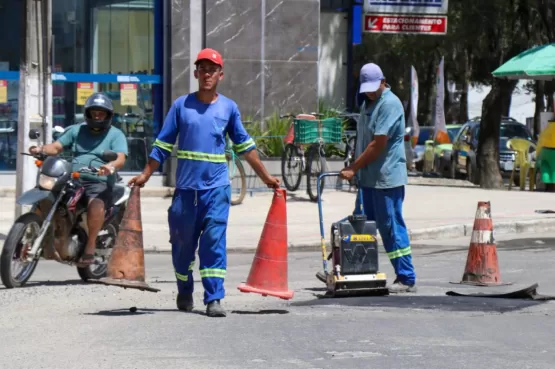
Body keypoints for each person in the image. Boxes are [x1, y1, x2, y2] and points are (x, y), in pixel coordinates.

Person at [129, 48, 280, 318]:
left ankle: (214, 298)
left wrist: (266, 177)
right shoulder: (180, 106)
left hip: (217, 190)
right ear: (196, 73)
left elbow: (246, 146)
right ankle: (184, 290)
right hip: (186, 193)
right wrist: (145, 174)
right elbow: (162, 145)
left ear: (220, 75)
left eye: (212, 69)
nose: (207, 74)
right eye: (203, 69)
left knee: (213, 242)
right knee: (182, 248)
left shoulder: (228, 108)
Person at [339, 63, 417, 294]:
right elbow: (363, 141)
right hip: (368, 180)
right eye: (367, 88)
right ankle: (357, 271)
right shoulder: (367, 104)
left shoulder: (390, 104)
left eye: (374, 87)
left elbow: (377, 144)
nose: (371, 92)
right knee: (361, 227)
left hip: (386, 180)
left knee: (391, 228)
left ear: (383, 81)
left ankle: (406, 277)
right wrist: (356, 169)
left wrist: (354, 167)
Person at [29, 92, 128, 266]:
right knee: (46, 195)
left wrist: (111, 166)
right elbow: (57, 146)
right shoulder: (76, 130)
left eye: (101, 113)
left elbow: (120, 157)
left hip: (98, 179)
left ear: (108, 115)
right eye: (94, 112)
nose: (97, 116)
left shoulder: (116, 134)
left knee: (95, 203)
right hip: (72, 176)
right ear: (88, 113)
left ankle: (90, 246)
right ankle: (46, 237)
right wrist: (42, 149)